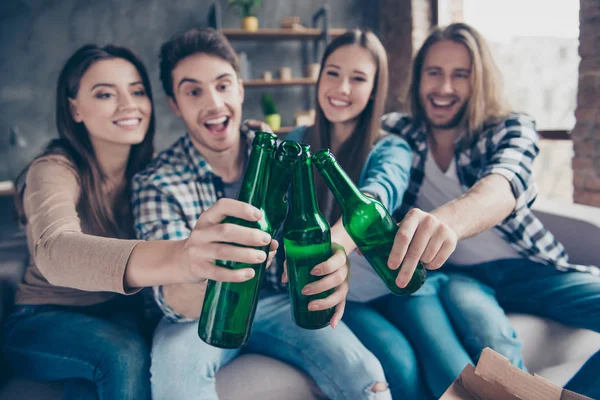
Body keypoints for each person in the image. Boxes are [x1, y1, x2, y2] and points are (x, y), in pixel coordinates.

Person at [131, 27, 391, 400]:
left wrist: (330, 268)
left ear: (240, 87)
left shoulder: (282, 155)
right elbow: (171, 292)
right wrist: (217, 270)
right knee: (176, 379)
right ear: (174, 103)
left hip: (276, 300)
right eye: (193, 92)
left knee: (368, 375)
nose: (214, 103)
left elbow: (318, 234)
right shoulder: (157, 182)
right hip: (200, 311)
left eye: (223, 86)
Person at [285, 28, 517, 400]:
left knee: (453, 370)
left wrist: (337, 246)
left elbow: (378, 194)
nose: (342, 88)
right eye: (333, 73)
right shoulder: (295, 144)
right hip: (350, 298)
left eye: (358, 78)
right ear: (319, 77)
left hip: (400, 282)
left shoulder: (391, 146)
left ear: (375, 89)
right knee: (400, 362)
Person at [380, 22, 600, 399]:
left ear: (478, 80)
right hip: (462, 276)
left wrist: (446, 221)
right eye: (434, 73)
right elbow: (337, 140)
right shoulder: (398, 133)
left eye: (460, 75)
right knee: (492, 341)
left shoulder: (510, 128)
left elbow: (503, 185)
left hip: (532, 267)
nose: (445, 87)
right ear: (418, 80)